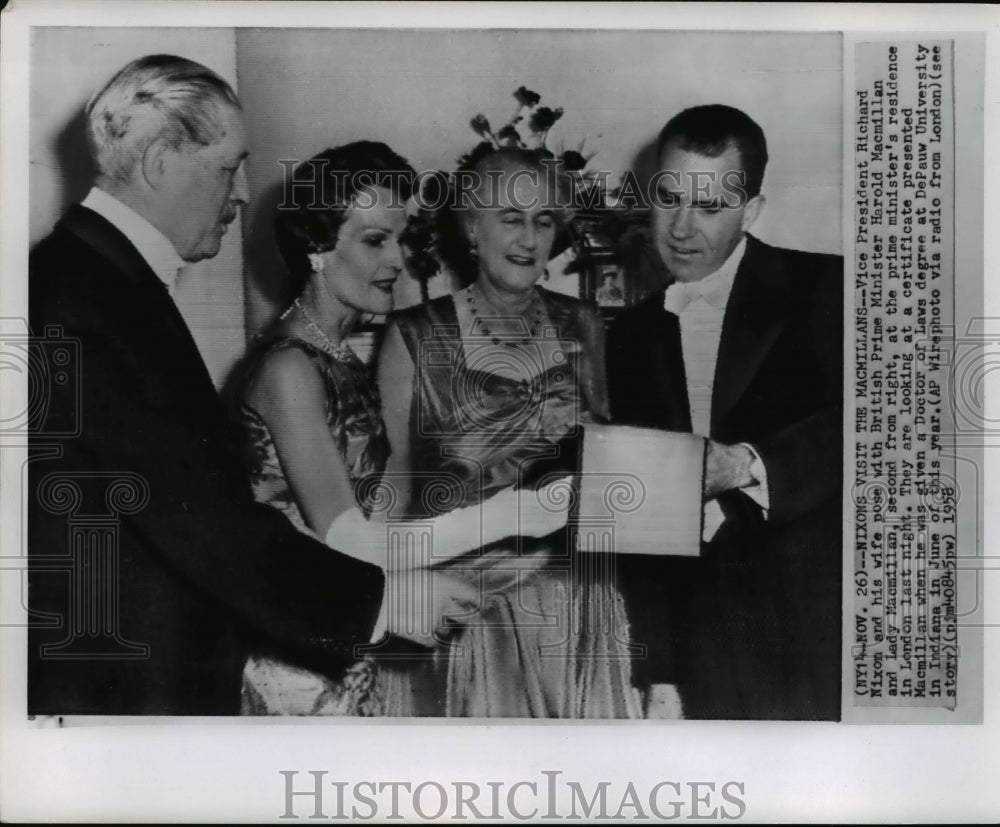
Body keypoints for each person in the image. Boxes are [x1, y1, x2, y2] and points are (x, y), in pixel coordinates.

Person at [27, 55, 476, 716]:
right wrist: (383, 599)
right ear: (159, 163)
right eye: (228, 166)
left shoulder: (94, 279)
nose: (242, 193)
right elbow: (194, 515)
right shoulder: (82, 297)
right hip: (118, 694)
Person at [232, 142, 569, 715]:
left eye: (399, 237)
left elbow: (382, 519)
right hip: (298, 667)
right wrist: (514, 512)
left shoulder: (336, 356)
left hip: (347, 639)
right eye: (374, 240)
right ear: (317, 246)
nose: (397, 261)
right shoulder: (288, 368)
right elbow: (350, 541)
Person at [377, 147, 642, 718]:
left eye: (544, 221)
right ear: (472, 227)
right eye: (511, 218)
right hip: (469, 610)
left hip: (579, 611)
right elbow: (395, 492)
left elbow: (612, 469)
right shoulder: (414, 336)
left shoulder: (586, 325)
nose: (528, 238)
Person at [608, 104, 843, 720]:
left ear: (752, 210)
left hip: (825, 634)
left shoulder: (832, 289)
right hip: (702, 646)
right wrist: (659, 673)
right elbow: (642, 525)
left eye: (710, 207)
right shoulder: (629, 335)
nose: (681, 228)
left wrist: (745, 465)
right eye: (668, 199)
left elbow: (888, 432)